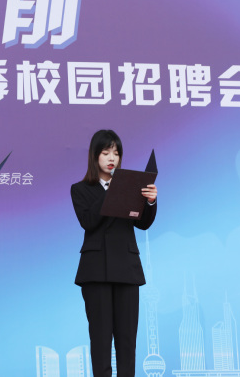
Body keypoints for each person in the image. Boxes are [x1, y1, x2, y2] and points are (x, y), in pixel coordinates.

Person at [70, 129, 157, 377]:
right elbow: (88, 222)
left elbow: (143, 223)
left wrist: (150, 201)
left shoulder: (131, 187)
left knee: (127, 341)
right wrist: (113, 190)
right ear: (94, 156)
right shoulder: (80, 189)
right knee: (100, 340)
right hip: (96, 271)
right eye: (106, 152)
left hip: (127, 270)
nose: (112, 158)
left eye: (116, 153)